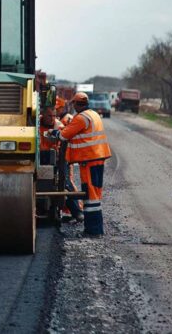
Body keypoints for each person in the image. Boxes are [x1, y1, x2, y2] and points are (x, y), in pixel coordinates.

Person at [50, 92, 112, 237]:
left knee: (90, 196)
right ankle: (95, 229)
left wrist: (53, 133)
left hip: (89, 159)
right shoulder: (93, 114)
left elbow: (64, 135)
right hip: (97, 157)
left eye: (74, 104)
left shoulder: (81, 118)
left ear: (76, 104)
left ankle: (93, 231)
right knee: (95, 194)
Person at [41, 107, 84, 223]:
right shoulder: (36, 125)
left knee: (65, 182)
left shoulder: (59, 126)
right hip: (41, 158)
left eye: (54, 116)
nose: (52, 119)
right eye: (49, 116)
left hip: (58, 158)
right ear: (42, 115)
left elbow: (64, 141)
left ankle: (77, 212)